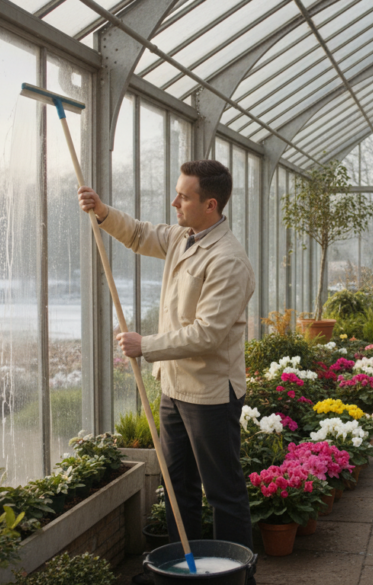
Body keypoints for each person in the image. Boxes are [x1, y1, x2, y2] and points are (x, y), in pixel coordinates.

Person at [77, 160, 255, 563]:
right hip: (174, 388)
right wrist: (102, 212)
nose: (174, 202)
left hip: (209, 393)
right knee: (178, 489)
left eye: (184, 196)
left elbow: (207, 334)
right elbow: (139, 234)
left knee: (223, 492)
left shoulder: (228, 260)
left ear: (210, 204)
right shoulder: (184, 238)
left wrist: (146, 344)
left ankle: (239, 573)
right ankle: (183, 567)